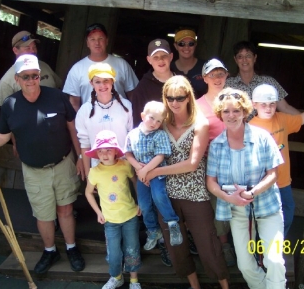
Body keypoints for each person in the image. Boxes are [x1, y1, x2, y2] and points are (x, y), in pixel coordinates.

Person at [0, 55, 85, 275]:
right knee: (44, 214)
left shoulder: (57, 97)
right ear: (17, 79)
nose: (31, 80)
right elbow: (2, 136)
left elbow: (73, 128)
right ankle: (50, 250)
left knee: (65, 209)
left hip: (63, 163)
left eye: (35, 76)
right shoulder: (11, 105)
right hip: (34, 170)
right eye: (25, 76)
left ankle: (72, 248)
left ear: (39, 76)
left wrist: (81, 156)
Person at [144, 76, 229, 289]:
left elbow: (192, 163)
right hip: (165, 195)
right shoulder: (159, 123)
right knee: (177, 246)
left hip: (195, 192)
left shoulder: (200, 124)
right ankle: (194, 285)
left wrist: (155, 171)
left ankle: (225, 284)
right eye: (170, 97)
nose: (175, 102)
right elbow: (141, 142)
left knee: (208, 243)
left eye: (180, 97)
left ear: (188, 97)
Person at [206, 87, 286, 289]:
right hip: (238, 211)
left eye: (236, 111)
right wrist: (229, 198)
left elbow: (273, 174)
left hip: (267, 208)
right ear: (220, 114)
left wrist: (253, 192)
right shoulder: (216, 145)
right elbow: (211, 182)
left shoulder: (263, 137)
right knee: (245, 265)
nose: (231, 115)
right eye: (226, 111)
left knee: (274, 260)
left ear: (244, 111)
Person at [249, 84, 304, 236]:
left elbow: (302, 118)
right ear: (254, 105)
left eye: (272, 104)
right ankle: (260, 252)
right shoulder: (250, 127)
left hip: (283, 180)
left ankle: (278, 244)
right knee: (261, 218)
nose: (268, 108)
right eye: (263, 104)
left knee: (288, 211)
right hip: (262, 183)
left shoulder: (282, 119)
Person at [85, 130, 142, 289]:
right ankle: (116, 277)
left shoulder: (125, 165)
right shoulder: (94, 172)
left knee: (132, 248)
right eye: (100, 151)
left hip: (130, 216)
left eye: (108, 150)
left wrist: (140, 203)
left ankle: (134, 280)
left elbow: (136, 182)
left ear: (116, 150)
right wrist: (98, 212)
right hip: (110, 220)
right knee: (114, 253)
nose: (104, 154)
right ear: (96, 153)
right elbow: (88, 193)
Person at [124, 101, 182, 251]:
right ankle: (152, 230)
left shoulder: (160, 134)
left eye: (159, 121)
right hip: (141, 173)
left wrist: (146, 171)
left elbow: (160, 156)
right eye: (151, 118)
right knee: (143, 204)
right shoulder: (132, 134)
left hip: (156, 173)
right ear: (143, 116)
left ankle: (172, 222)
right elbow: (128, 153)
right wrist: (138, 168)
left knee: (159, 196)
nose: (154, 123)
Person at [195, 58, 235, 267]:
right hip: (210, 163)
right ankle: (224, 244)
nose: (217, 78)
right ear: (204, 78)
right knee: (217, 204)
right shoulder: (198, 105)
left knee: (239, 202)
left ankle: (242, 244)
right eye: (212, 75)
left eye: (221, 74)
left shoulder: (235, 100)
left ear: (227, 75)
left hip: (237, 161)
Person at [226, 41, 304, 126]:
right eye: (240, 56)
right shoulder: (228, 85)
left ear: (255, 58)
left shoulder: (268, 82)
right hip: (236, 136)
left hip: (265, 135)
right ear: (235, 59)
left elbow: (285, 108)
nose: (244, 60)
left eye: (248, 56)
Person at [63, 23, 139, 111]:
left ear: (107, 41)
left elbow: (133, 95)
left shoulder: (122, 64)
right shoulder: (77, 69)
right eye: (92, 39)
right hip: (90, 120)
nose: (97, 43)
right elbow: (74, 103)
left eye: (100, 38)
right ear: (87, 43)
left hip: (120, 121)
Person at [75, 63, 133, 175]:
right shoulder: (84, 111)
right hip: (99, 172)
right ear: (91, 83)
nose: (102, 85)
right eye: (98, 81)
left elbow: (132, 140)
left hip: (126, 169)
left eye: (106, 80)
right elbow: (85, 144)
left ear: (112, 81)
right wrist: (89, 176)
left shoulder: (127, 106)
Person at [0, 30, 62, 106]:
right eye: (28, 48)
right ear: (15, 50)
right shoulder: (6, 81)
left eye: (34, 47)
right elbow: (7, 113)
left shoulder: (45, 66)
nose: (32, 51)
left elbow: (60, 87)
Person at [131, 38, 176, 127]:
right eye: (155, 57)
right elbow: (137, 122)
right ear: (149, 60)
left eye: (164, 56)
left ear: (171, 57)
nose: (160, 60)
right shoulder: (142, 88)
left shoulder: (183, 82)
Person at [170, 28, 207, 99]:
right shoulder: (169, 68)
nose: (186, 47)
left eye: (191, 44)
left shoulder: (206, 67)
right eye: (181, 44)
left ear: (195, 45)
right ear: (175, 46)